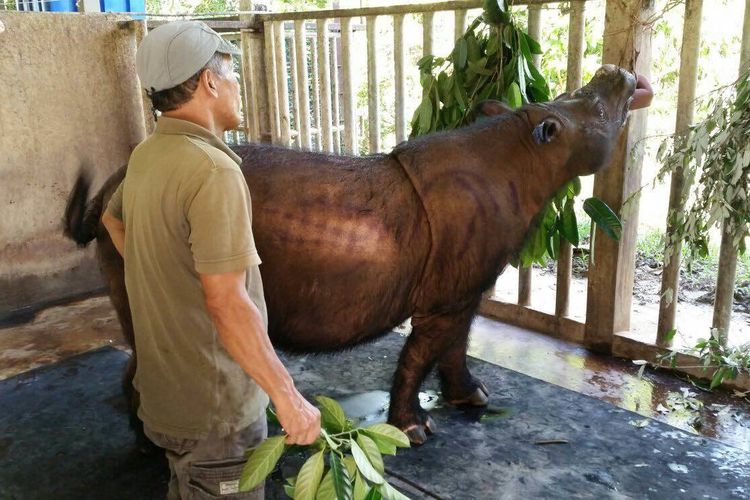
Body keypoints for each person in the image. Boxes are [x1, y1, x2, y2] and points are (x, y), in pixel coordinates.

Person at [101, 21, 320, 499]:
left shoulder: (148, 154)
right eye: (232, 73)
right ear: (209, 81)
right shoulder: (213, 170)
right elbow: (227, 302)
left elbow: (112, 219)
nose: (237, 86)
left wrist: (160, 274)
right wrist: (288, 397)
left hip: (165, 398)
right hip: (214, 413)